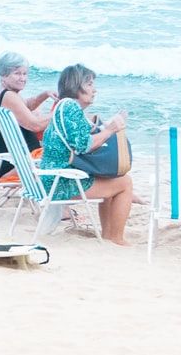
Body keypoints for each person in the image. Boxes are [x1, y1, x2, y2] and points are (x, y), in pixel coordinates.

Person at [40, 64, 136, 245]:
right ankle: (115, 237)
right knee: (124, 183)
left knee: (111, 181)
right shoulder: (69, 107)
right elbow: (84, 145)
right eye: (90, 84)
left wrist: (106, 127)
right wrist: (110, 130)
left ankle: (109, 235)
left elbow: (85, 136)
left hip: (54, 177)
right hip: (60, 182)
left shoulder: (66, 107)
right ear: (77, 86)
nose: (95, 89)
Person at [0, 51, 54, 151]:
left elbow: (26, 105)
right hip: (20, 163)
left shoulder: (3, 93)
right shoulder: (9, 96)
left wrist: (45, 94)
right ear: (3, 75)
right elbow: (35, 125)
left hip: (19, 158)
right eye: (17, 74)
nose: (23, 78)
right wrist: (61, 112)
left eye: (25, 74)